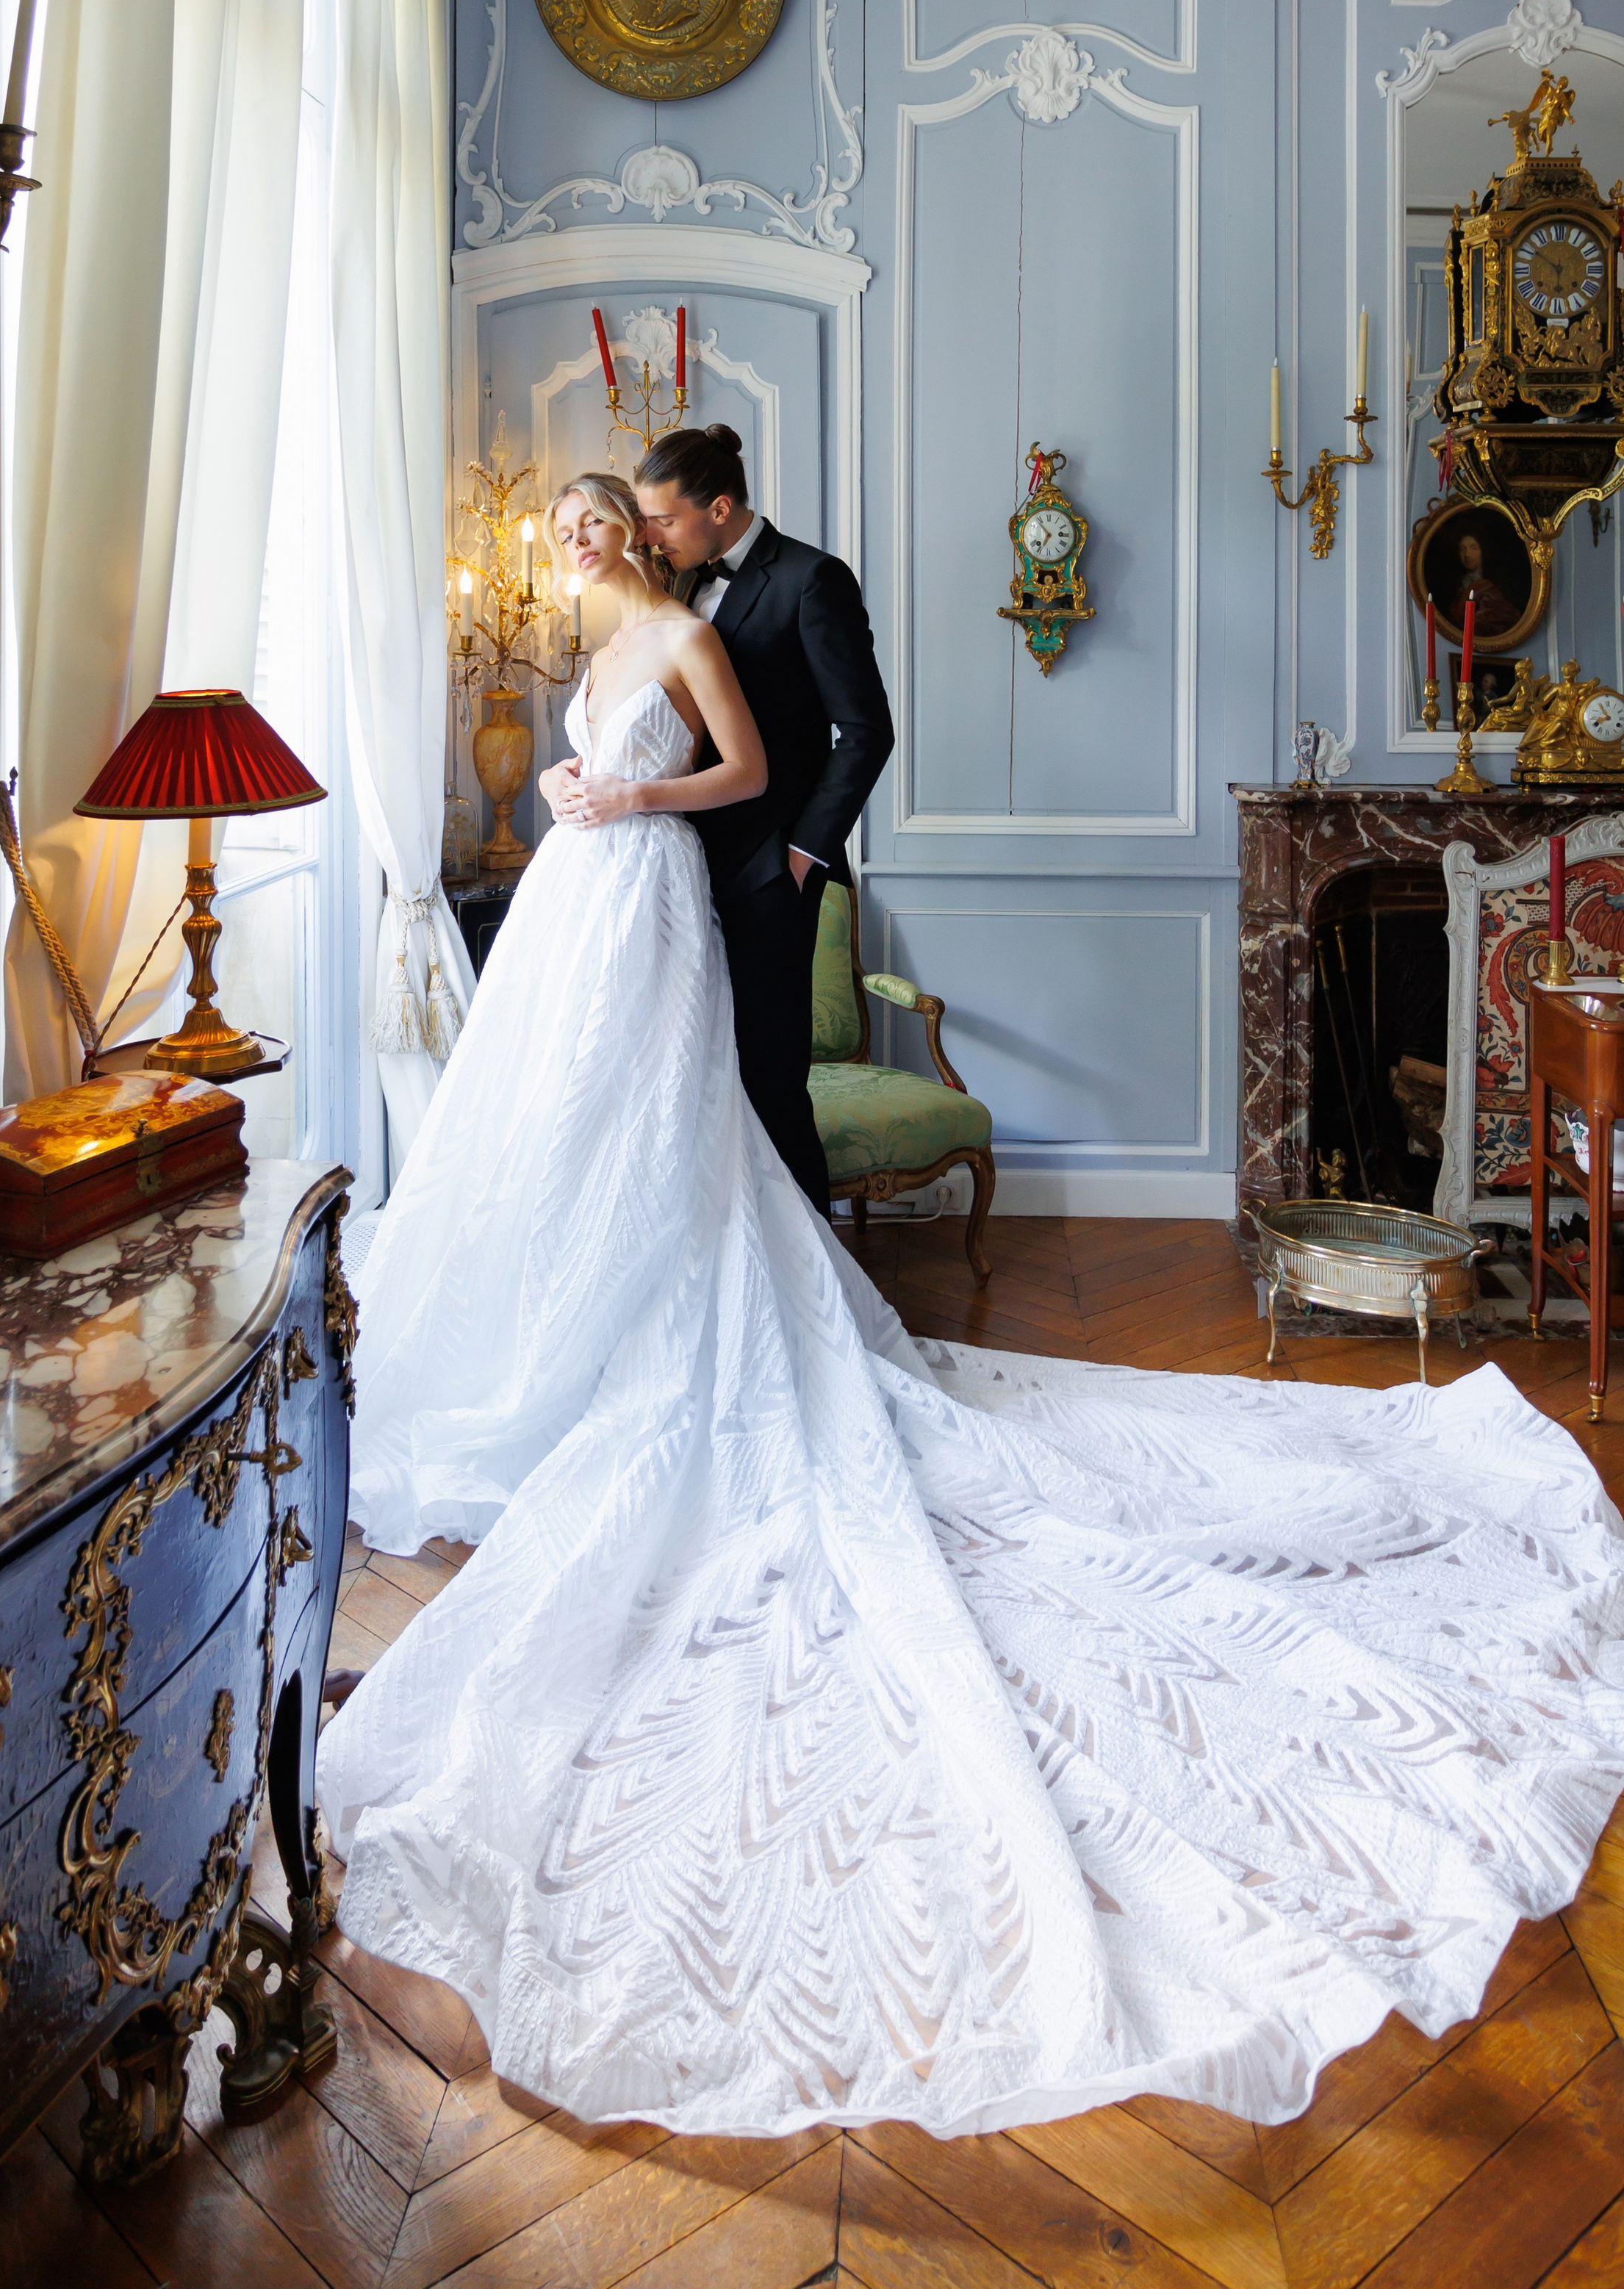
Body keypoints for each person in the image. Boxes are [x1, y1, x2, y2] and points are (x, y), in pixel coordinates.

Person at [316, 468, 1624, 2142]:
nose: (583, 541)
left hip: (673, 896)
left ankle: (673, 1341)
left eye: (602, 519)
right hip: (600, 913)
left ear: (661, 523)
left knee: (686, 1145)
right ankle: (562, 1356)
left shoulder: (730, 613)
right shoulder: (610, 636)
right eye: (571, 524)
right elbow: (632, 757)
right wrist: (574, 781)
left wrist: (695, 829)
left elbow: (783, 758)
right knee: (594, 1145)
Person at [547, 424, 891, 1210]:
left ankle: (811, 1280)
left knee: (767, 1076)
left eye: (661, 520)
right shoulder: (672, 591)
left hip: (769, 868)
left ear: (720, 508)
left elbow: (867, 731)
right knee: (683, 1076)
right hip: (670, 869)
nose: (647, 534)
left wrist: (803, 854)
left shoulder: (811, 579)